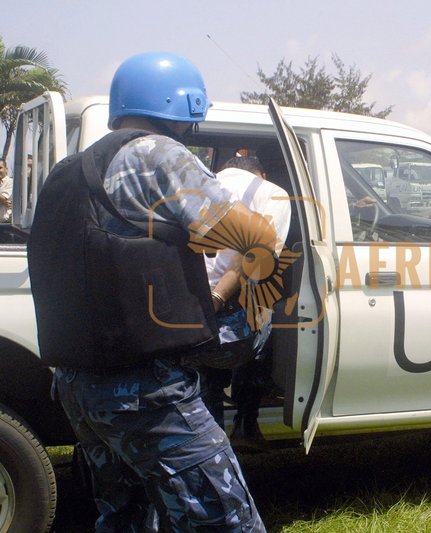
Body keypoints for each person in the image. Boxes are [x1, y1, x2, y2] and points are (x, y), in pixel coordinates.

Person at [33, 52, 272, 531]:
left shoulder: (66, 172)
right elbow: (257, 239)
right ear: (183, 113)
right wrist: (220, 298)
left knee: (128, 516)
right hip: (148, 390)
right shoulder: (157, 153)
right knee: (227, 522)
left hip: (79, 389)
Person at [204, 155, 291, 449]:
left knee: (204, 376)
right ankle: (245, 422)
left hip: (178, 310)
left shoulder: (196, 184)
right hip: (224, 317)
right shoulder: (272, 192)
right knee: (266, 321)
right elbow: (259, 259)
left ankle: (211, 441)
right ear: (261, 173)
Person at [0, 158, 12, 222]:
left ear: (6, 169)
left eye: (0, 168)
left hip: (5, 224)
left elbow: (4, 198)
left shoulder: (11, 182)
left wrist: (3, 200)